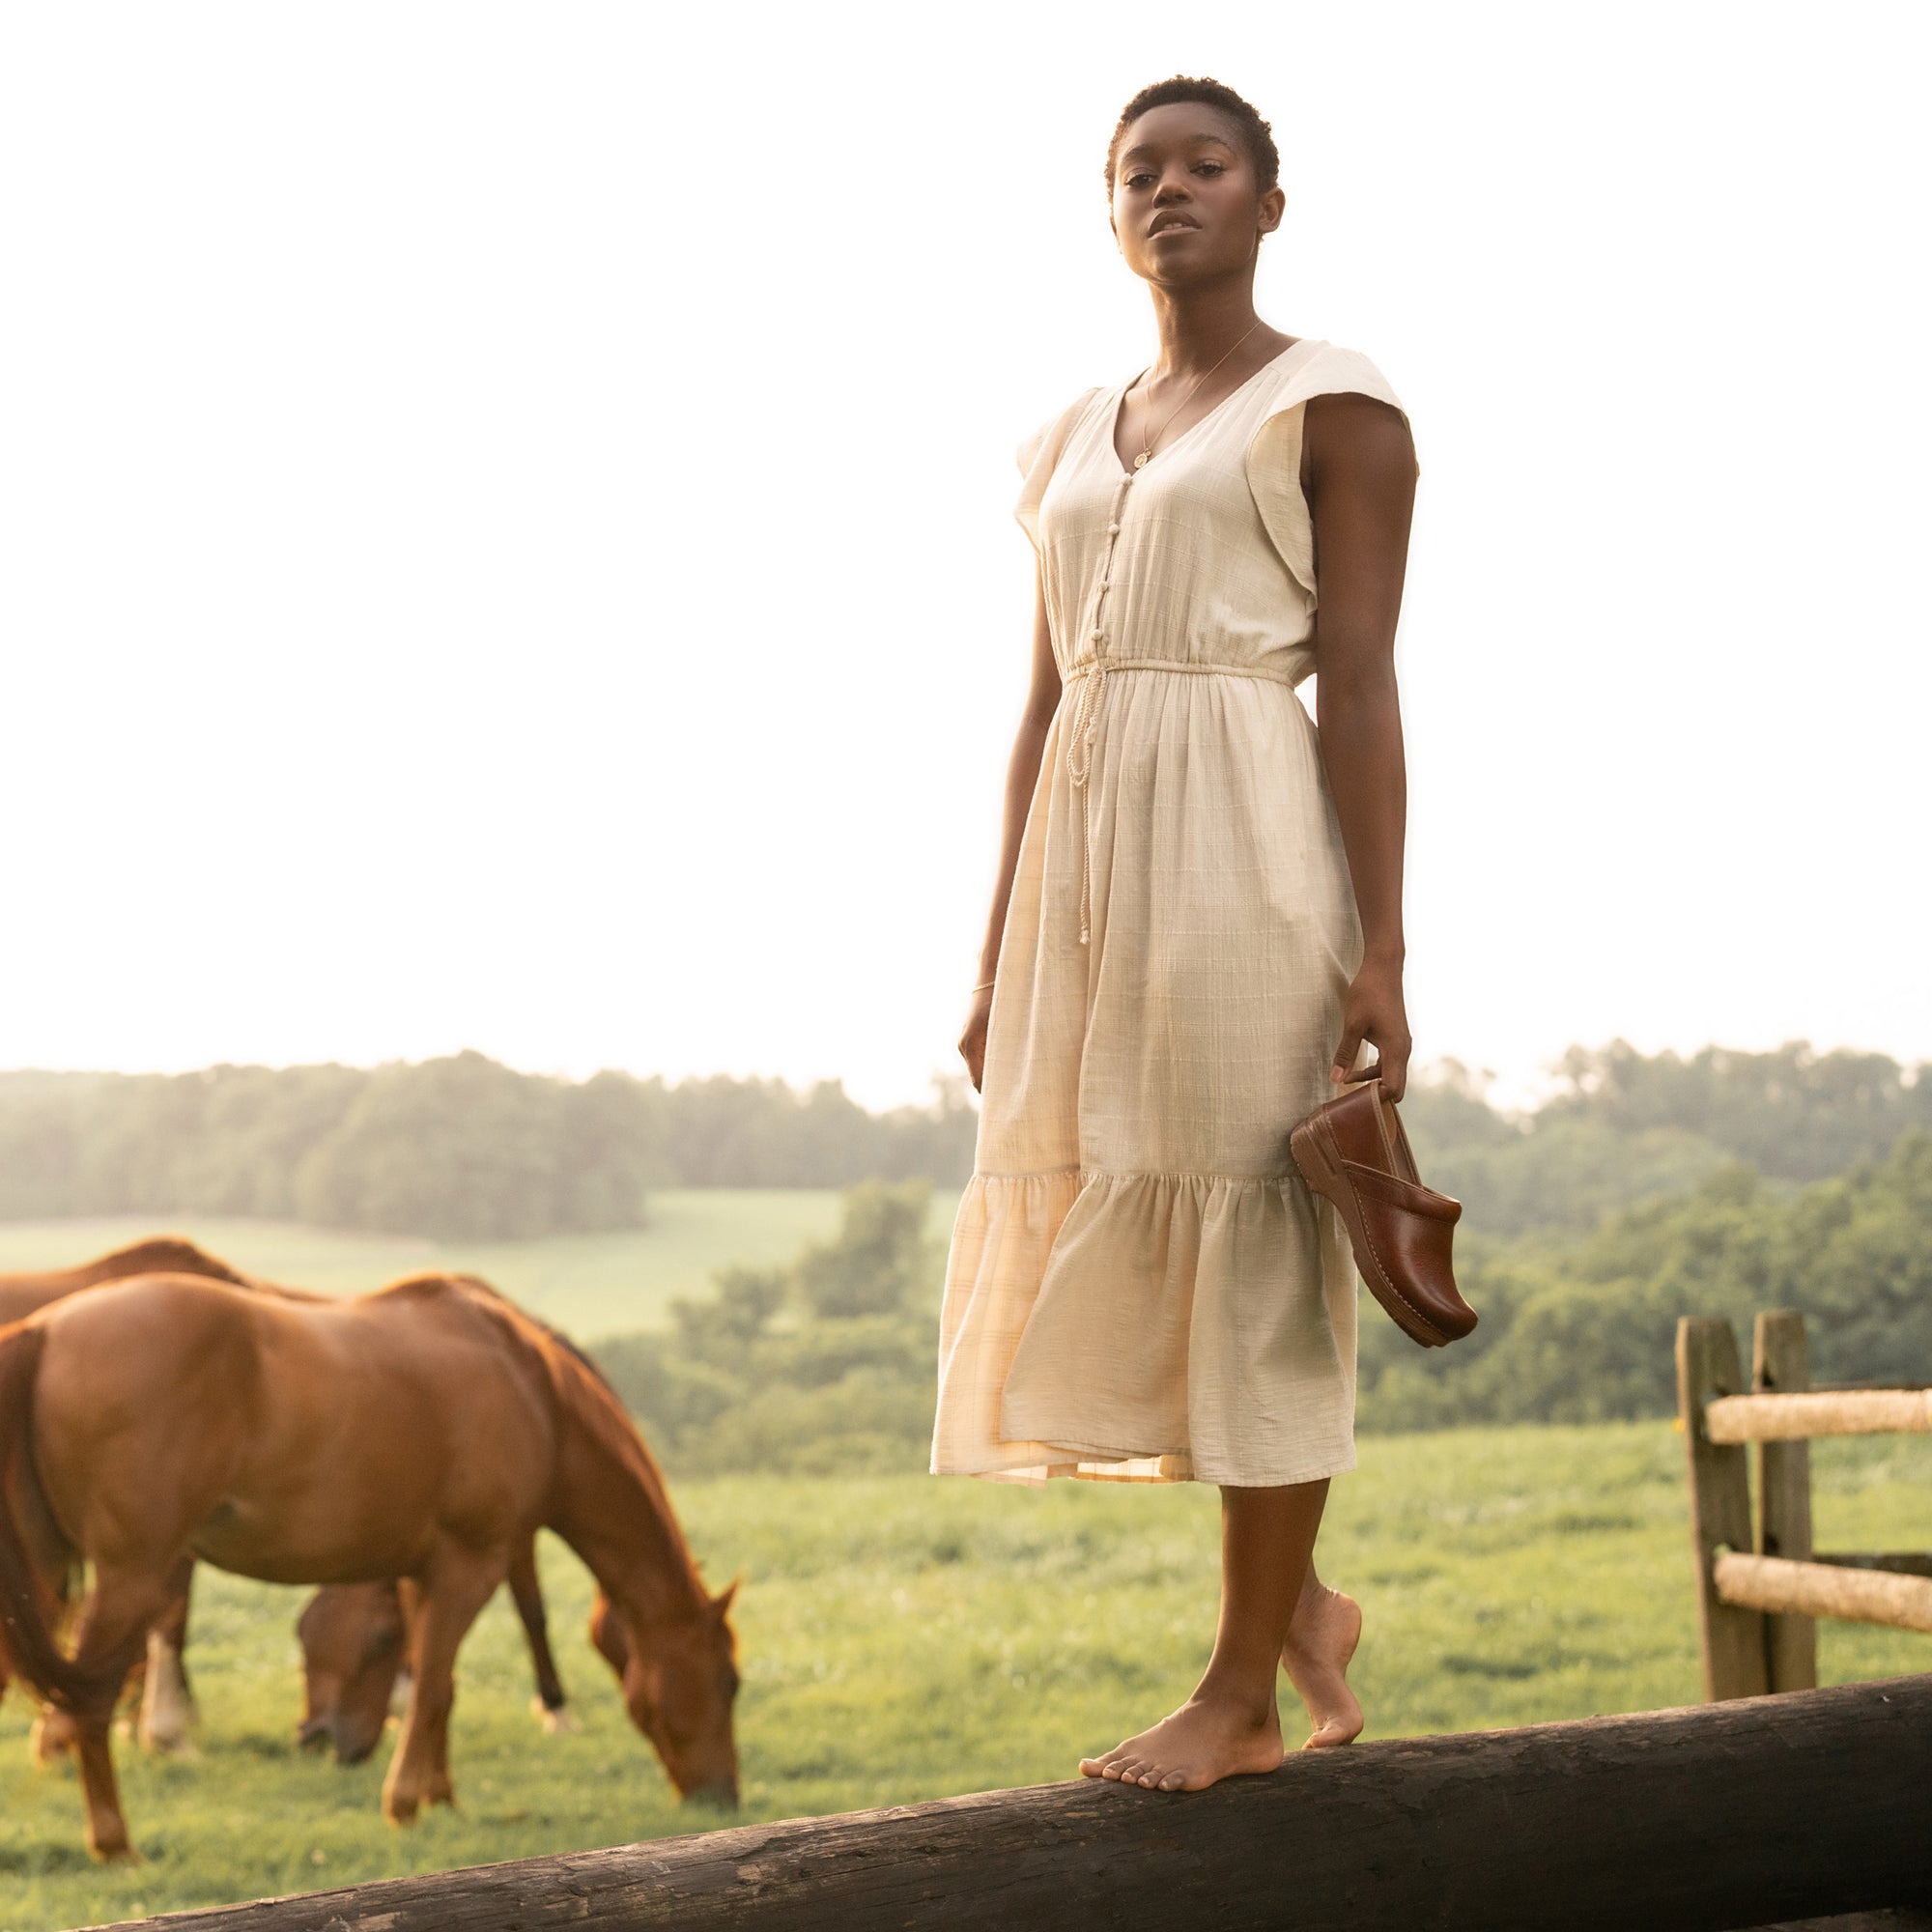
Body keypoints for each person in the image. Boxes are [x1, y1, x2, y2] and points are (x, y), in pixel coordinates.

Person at [931, 74, 1418, 1794]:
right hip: (1082, 869)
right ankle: (1303, 1608)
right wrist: (994, 951)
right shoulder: (1071, 436)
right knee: (1126, 1193)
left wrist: (1384, 948)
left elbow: (1360, 683)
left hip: (1245, 846)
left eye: (1207, 165)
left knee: (1257, 1226)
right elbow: (1041, 699)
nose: (1169, 190)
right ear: (1110, 209)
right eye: (1139, 170)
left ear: (1268, 204)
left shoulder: (1336, 407)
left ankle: (1239, 1692)